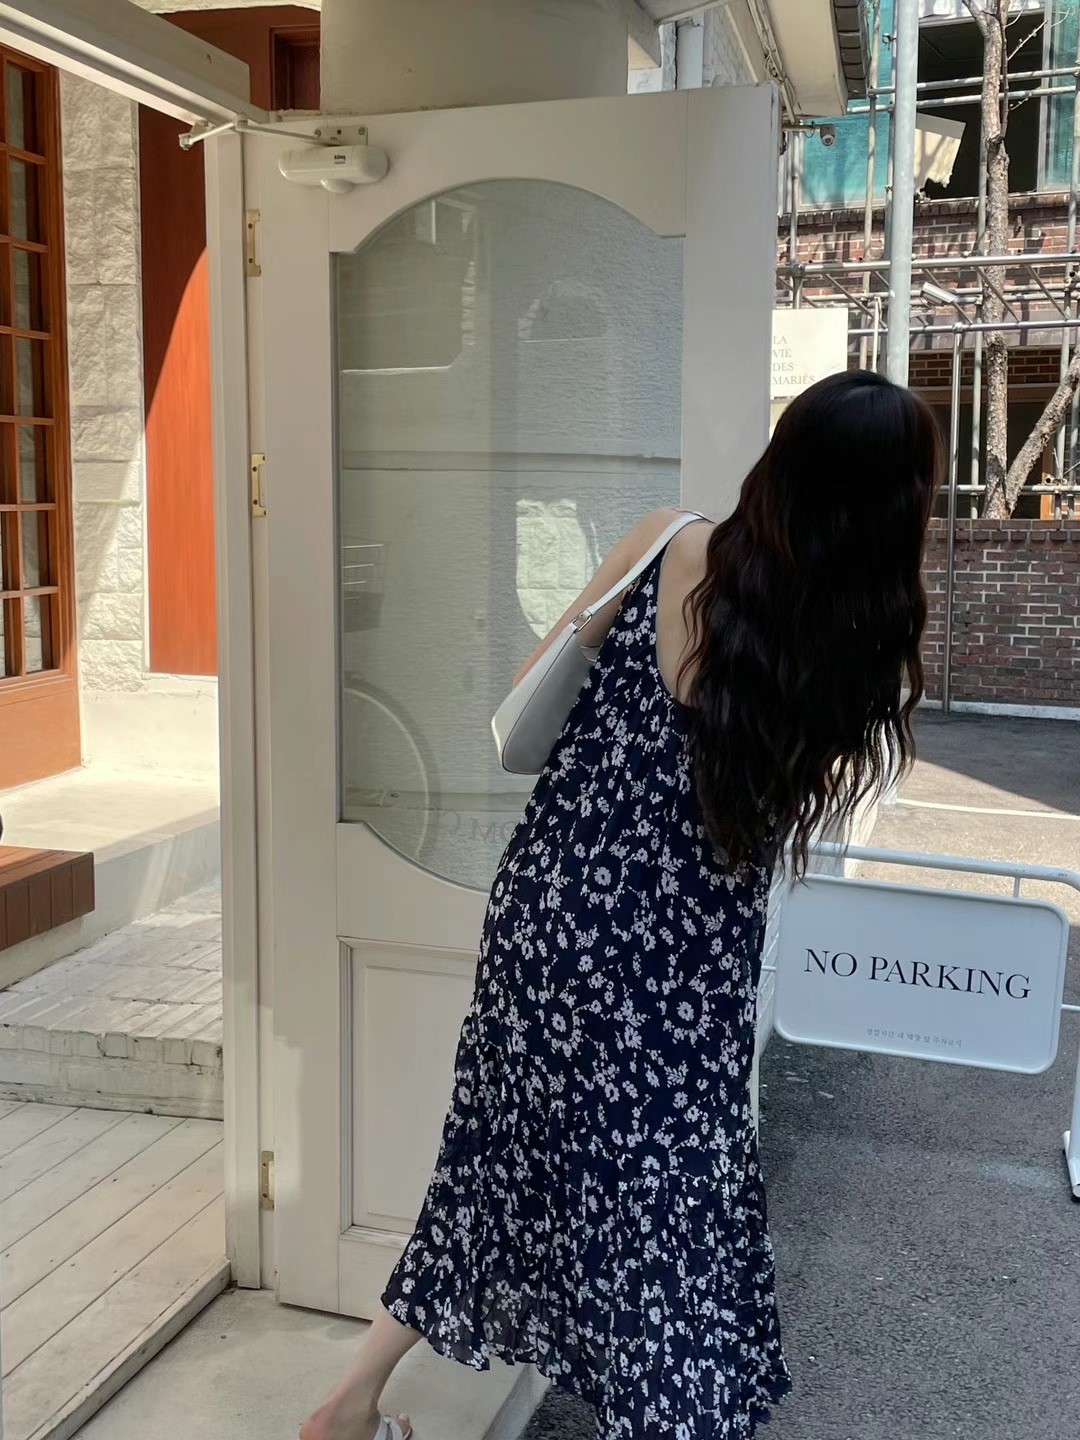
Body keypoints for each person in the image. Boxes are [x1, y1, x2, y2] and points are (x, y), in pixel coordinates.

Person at [300, 370, 944, 1440]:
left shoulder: (664, 542)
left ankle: (348, 1403)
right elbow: (773, 810)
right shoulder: (852, 649)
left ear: (782, 461)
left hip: (549, 922)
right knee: (661, 1216)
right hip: (680, 972)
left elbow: (533, 695)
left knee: (492, 1164)